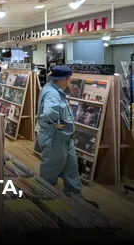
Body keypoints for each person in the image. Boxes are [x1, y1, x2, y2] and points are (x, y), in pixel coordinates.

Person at [36, 66, 98, 207]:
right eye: (69, 78)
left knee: (71, 167)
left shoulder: (53, 89)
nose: (70, 81)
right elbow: (49, 112)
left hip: (64, 138)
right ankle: (45, 201)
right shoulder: (52, 93)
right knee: (50, 170)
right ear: (65, 78)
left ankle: (74, 198)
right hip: (55, 138)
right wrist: (54, 123)